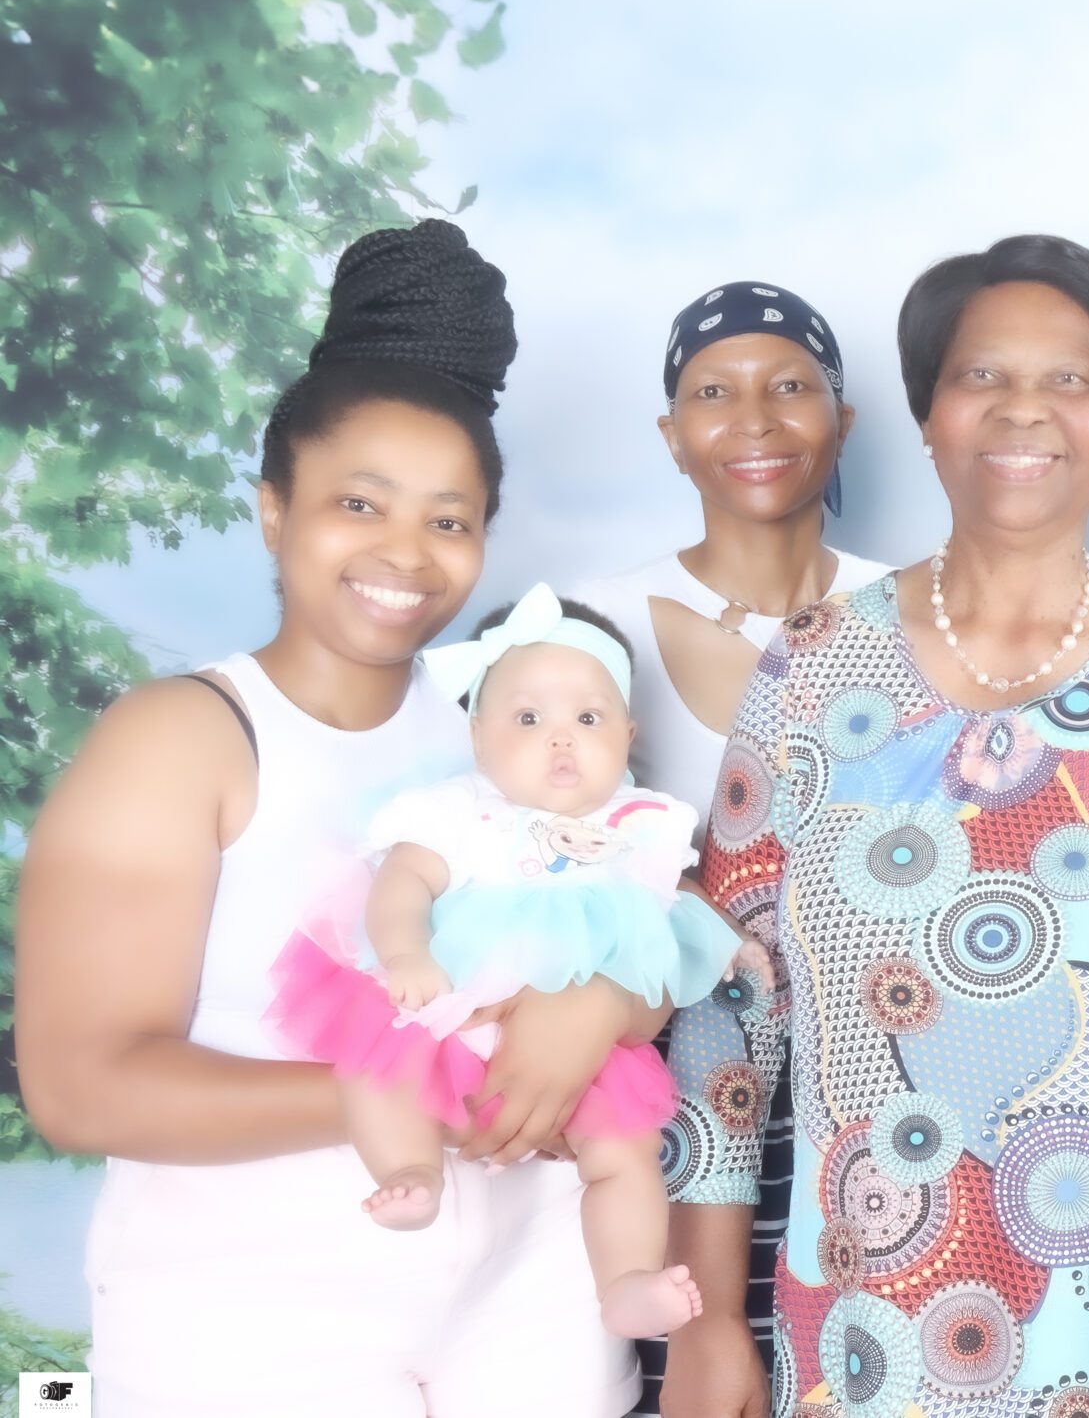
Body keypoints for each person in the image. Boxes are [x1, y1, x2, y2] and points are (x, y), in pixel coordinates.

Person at [658, 234, 1089, 1418]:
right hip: (876, 1320)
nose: (1023, 408)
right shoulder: (811, 673)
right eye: (980, 375)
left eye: (1068, 380)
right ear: (927, 417)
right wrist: (709, 1317)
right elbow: (729, 1021)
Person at [15, 219, 659, 1415]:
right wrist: (418, 1086)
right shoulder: (185, 740)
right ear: (273, 508)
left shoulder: (507, 725)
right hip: (253, 1329)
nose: (404, 554)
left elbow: (646, 931)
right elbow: (83, 1087)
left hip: (535, 1312)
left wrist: (601, 1007)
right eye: (358, 503)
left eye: (449, 519)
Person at [563, 280, 892, 1414]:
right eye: (713, 393)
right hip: (670, 1100)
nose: (753, 419)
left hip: (871, 1088)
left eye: (790, 385)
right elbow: (535, 848)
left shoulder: (911, 613)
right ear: (671, 434)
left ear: (843, 420)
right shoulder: (594, 623)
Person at [265, 584, 748, 1338]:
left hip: (581, 1045)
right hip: (452, 1002)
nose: (561, 740)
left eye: (588, 718)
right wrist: (405, 952)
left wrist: (734, 940)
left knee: (625, 1153)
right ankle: (409, 1170)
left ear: (627, 733)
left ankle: (625, 1281)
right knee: (377, 1057)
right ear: (480, 736)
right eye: (528, 719)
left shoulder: (639, 824)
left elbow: (679, 902)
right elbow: (401, 883)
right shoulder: (457, 810)